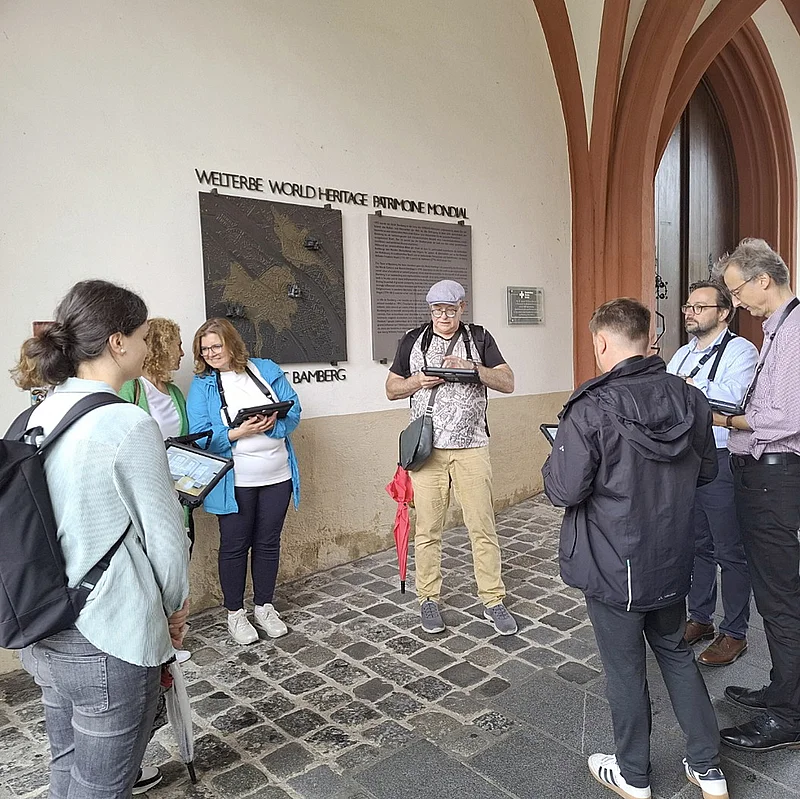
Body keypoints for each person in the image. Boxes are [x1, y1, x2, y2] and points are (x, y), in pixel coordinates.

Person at [11, 280, 190, 798]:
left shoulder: (35, 415)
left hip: (44, 625)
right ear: (117, 342)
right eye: (142, 336)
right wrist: (174, 610)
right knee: (104, 787)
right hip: (108, 635)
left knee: (67, 766)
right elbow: (166, 541)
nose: (146, 346)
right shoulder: (127, 422)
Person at [543, 298, 727, 799]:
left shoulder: (590, 406)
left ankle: (633, 774)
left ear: (601, 341)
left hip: (613, 562)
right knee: (675, 653)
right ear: (647, 340)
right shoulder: (691, 399)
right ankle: (708, 768)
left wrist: (556, 456)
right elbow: (706, 472)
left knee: (625, 670)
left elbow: (564, 489)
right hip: (670, 556)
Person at [385, 279, 517, 636]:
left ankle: (493, 599)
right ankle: (428, 597)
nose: (443, 316)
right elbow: (391, 389)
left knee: (482, 527)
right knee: (428, 529)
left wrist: (472, 368)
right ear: (430, 310)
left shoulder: (480, 338)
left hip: (472, 447)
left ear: (462, 307)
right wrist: (418, 381)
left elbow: (507, 382)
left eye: (450, 309)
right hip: (427, 451)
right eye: (437, 310)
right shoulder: (413, 340)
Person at [712, 238, 800, 752]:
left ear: (762, 279)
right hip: (761, 475)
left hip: (775, 478)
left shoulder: (795, 331)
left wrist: (725, 419)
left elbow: (785, 417)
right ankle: (784, 690)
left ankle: (789, 716)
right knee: (772, 594)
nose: (736, 300)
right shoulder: (777, 329)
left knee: (781, 598)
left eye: (736, 289)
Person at [186, 318, 301, 646]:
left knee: (268, 542)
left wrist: (272, 423)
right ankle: (235, 613)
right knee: (234, 546)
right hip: (235, 481)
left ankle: (264, 606)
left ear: (231, 343)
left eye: (216, 346)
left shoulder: (265, 369)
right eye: (204, 349)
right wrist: (239, 432)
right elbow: (201, 435)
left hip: (277, 474)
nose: (211, 353)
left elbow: (294, 412)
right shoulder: (203, 384)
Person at [666, 281, 757, 666]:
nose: (690, 313)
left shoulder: (741, 350)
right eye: (688, 306)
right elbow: (668, 398)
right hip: (685, 459)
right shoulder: (682, 353)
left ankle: (735, 632)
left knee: (730, 550)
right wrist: (688, 391)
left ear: (723, 313)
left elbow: (733, 399)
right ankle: (700, 618)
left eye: (699, 307)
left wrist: (688, 387)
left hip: (720, 458)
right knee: (696, 544)